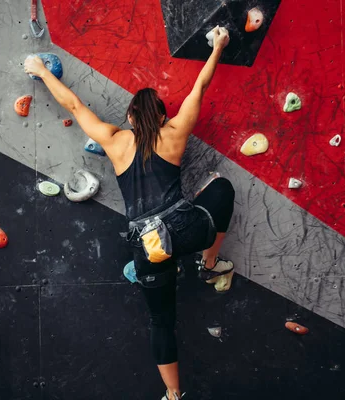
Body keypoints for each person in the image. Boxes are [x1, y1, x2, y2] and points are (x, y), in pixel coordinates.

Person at [25, 26, 235, 400]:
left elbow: (73, 105)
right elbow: (199, 87)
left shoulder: (114, 139)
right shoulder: (173, 133)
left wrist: (41, 71)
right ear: (161, 115)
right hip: (185, 228)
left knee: (161, 322)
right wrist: (218, 46)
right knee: (221, 188)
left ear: (131, 117)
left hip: (148, 246)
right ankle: (209, 262)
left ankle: (173, 395)